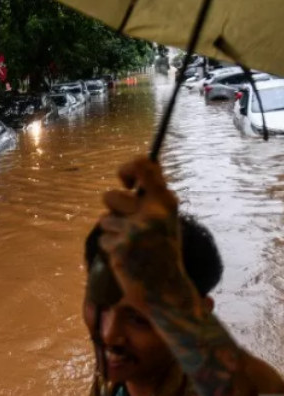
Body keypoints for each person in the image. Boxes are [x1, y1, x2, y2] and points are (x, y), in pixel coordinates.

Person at [83, 157, 284, 396]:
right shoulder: (115, 376)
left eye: (140, 319)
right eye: (101, 305)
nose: (108, 334)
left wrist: (170, 294)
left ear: (199, 311)